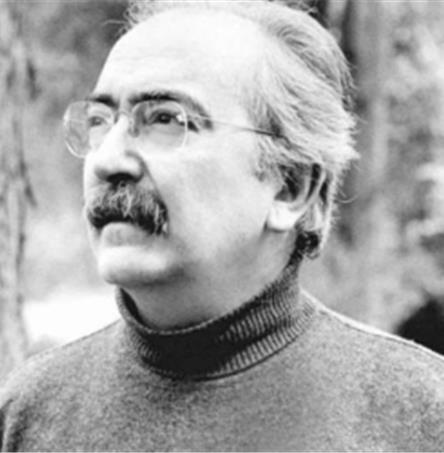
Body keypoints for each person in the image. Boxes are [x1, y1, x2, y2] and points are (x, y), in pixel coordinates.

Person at [1, 1, 444, 451]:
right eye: (101, 121)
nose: (107, 160)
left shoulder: (418, 417)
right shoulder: (27, 415)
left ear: (291, 187)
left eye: (165, 119)